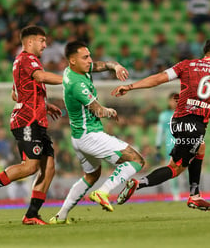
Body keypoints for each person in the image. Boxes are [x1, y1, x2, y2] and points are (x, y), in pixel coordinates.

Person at [112, 38, 210, 211]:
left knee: (200, 148)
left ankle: (195, 195)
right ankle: (138, 184)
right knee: (175, 169)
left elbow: (158, 79)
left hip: (177, 121)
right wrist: (204, 113)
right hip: (195, 124)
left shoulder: (187, 65)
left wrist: (130, 86)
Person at [0, 25, 63, 225]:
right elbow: (40, 77)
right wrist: (70, 80)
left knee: (48, 168)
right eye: (42, 40)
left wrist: (44, 105)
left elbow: (16, 93)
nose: (45, 45)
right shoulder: (27, 59)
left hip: (36, 119)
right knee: (30, 167)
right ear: (30, 42)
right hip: (27, 120)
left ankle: (31, 215)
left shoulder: (23, 63)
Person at [49, 41, 145, 224]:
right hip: (90, 136)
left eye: (89, 56)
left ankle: (61, 216)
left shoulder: (74, 70)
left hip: (78, 137)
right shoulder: (76, 84)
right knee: (137, 160)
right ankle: (103, 192)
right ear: (72, 60)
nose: (90, 60)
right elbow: (98, 110)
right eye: (85, 57)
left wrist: (115, 66)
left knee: (91, 175)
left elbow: (100, 65)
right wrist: (111, 111)